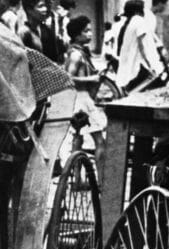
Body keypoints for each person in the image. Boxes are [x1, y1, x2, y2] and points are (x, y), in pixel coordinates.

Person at [64, 15, 106, 178]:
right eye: (86, 31)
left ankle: (77, 180)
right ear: (77, 35)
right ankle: (102, 181)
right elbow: (67, 78)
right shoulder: (76, 55)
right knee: (100, 141)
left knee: (78, 139)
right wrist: (91, 79)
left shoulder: (79, 52)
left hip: (78, 99)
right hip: (82, 99)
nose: (90, 34)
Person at [114, 0, 165, 92]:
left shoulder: (132, 22)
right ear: (138, 10)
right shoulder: (139, 21)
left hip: (128, 60)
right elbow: (142, 46)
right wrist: (149, 63)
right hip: (136, 61)